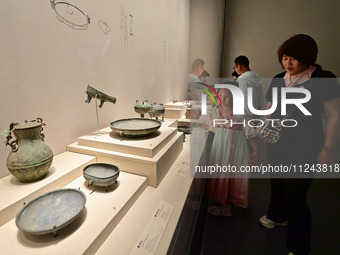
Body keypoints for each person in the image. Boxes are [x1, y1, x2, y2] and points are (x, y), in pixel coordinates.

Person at [259, 34, 340, 255]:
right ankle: (277, 216)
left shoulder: (324, 78)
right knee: (277, 183)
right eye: (285, 58)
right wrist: (262, 129)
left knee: (296, 197)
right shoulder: (279, 78)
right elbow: (269, 107)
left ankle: (300, 247)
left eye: (294, 59)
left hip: (305, 147)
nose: (288, 63)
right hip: (277, 142)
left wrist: (328, 149)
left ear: (308, 58)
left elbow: (334, 116)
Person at [206, 87, 258, 216]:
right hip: (220, 145)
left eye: (227, 96)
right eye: (221, 95)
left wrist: (256, 149)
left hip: (236, 146)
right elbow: (212, 128)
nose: (223, 99)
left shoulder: (241, 113)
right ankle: (222, 201)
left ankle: (228, 205)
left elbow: (249, 133)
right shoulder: (216, 111)